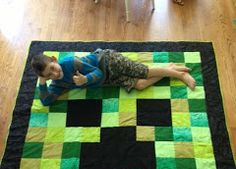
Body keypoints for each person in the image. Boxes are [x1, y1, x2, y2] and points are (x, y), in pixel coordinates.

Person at [31, 49, 195, 106]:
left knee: (143, 71)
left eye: (53, 68)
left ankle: (178, 74)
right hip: (109, 80)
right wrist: (43, 83)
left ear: (54, 59)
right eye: (49, 75)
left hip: (108, 61)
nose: (55, 74)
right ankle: (170, 68)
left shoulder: (70, 62)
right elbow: (46, 101)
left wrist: (84, 80)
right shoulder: (57, 83)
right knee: (140, 85)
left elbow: (98, 73)